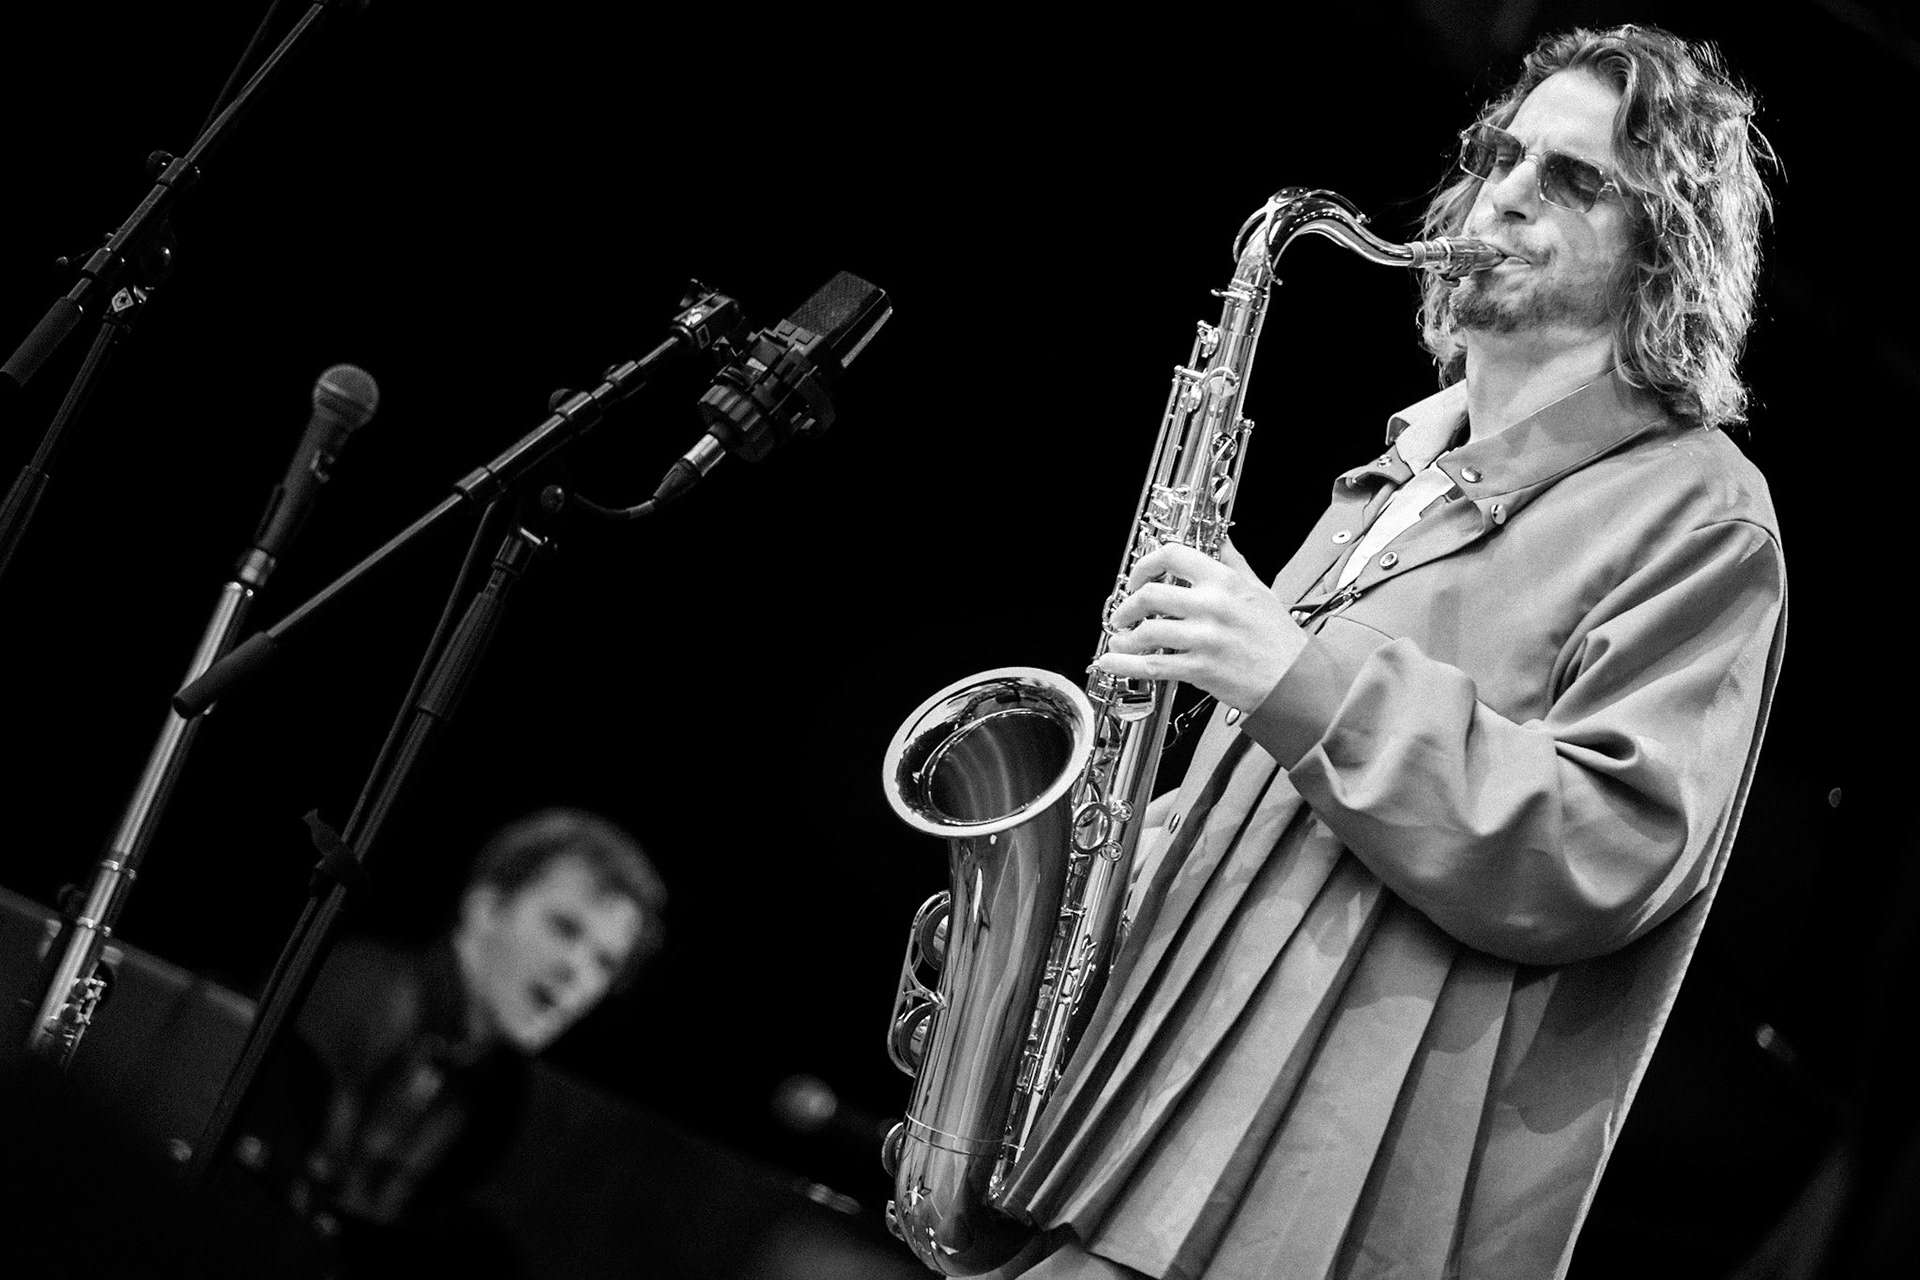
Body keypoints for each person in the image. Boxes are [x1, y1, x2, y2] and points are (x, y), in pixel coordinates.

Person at [992, 24, 1784, 1280]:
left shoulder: (1699, 507)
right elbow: (1288, 808)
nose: (1505, 192)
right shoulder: (1399, 474)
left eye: (1574, 179)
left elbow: (1606, 841)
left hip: (1305, 1184)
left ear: (1664, 250)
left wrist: (1292, 678)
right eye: (1500, 153)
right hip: (1131, 1122)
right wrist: (1062, 896)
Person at [231, 808, 666, 1275]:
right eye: (564, 928)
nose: (576, 971)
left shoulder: (493, 1081)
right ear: (485, 905)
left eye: (604, 962)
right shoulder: (366, 991)